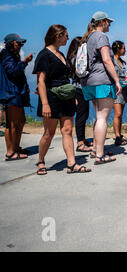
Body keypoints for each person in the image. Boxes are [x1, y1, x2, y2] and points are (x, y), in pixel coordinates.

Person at [33, 25, 91, 175]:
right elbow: (41, 81)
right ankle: (40, 160)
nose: (67, 38)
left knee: (67, 130)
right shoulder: (44, 55)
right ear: (58, 36)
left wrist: (72, 98)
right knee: (49, 133)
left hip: (66, 97)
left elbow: (65, 78)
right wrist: (45, 103)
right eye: (65, 35)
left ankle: (71, 163)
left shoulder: (61, 54)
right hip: (51, 98)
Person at [81, 11, 122, 165]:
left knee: (98, 117)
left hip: (89, 82)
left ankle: (96, 149)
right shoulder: (101, 37)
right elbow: (106, 59)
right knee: (102, 118)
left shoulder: (89, 37)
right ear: (102, 22)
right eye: (108, 22)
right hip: (102, 81)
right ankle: (99, 154)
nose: (110, 24)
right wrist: (117, 81)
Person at [0, 33, 33, 161]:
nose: (20, 45)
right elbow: (12, 71)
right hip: (10, 93)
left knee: (21, 121)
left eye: (21, 43)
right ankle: (10, 152)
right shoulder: (7, 56)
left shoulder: (12, 55)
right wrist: (24, 62)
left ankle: (15, 147)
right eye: (18, 43)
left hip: (15, 92)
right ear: (11, 43)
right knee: (12, 124)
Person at [66, 36, 92, 153]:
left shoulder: (71, 58)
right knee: (81, 115)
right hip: (80, 89)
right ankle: (80, 142)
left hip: (78, 88)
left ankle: (82, 139)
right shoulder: (77, 59)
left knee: (84, 114)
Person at [111, 40, 127, 146]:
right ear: (118, 49)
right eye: (123, 48)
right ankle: (117, 137)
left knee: (120, 114)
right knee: (117, 114)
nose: (125, 50)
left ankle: (119, 134)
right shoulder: (111, 61)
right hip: (116, 90)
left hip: (124, 89)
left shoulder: (122, 61)